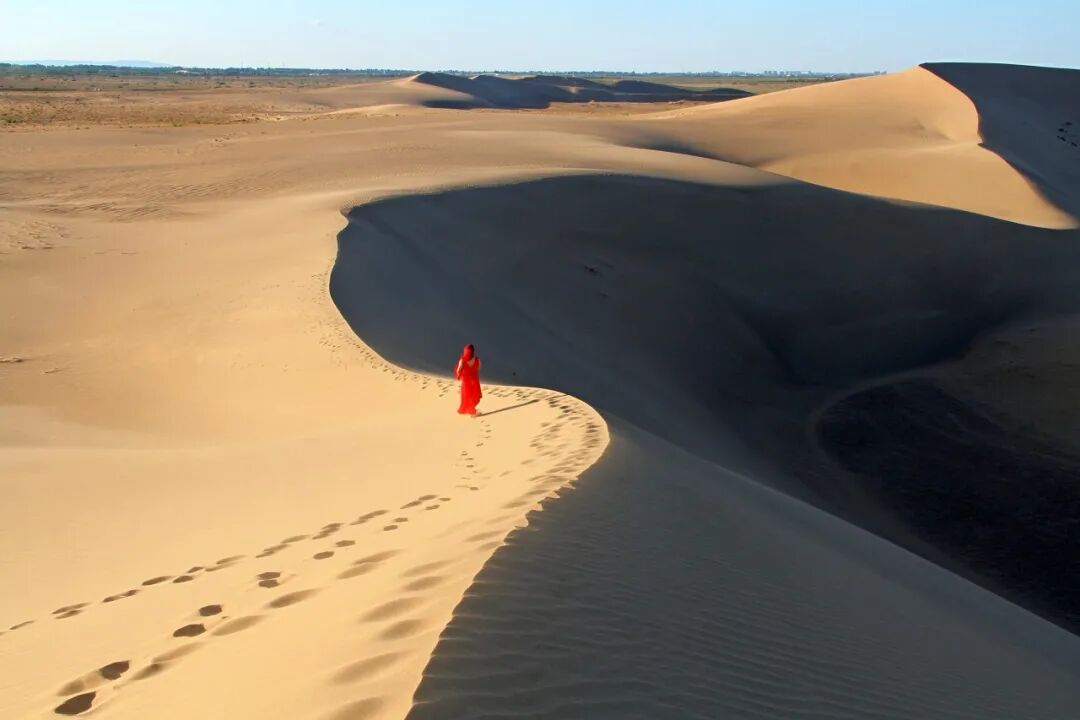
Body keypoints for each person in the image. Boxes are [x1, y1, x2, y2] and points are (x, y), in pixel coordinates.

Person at [454, 343, 482, 416]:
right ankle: (473, 411)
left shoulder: (462, 360)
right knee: (473, 397)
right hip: (475, 382)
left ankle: (472, 412)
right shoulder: (477, 359)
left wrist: (459, 376)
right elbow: (478, 367)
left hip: (466, 383)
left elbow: (458, 370)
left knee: (467, 398)